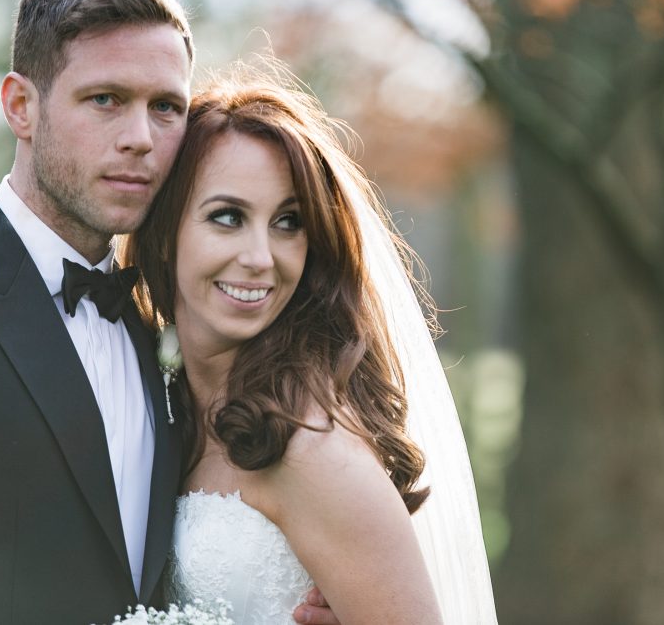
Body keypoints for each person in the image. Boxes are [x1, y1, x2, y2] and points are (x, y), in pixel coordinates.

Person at [0, 0, 336, 625]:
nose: (141, 138)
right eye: (105, 99)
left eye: (166, 107)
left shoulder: (170, 322)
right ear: (21, 105)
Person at [123, 61, 498, 624]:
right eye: (228, 217)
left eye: (288, 223)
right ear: (166, 232)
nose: (260, 257)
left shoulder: (311, 447)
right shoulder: (167, 408)